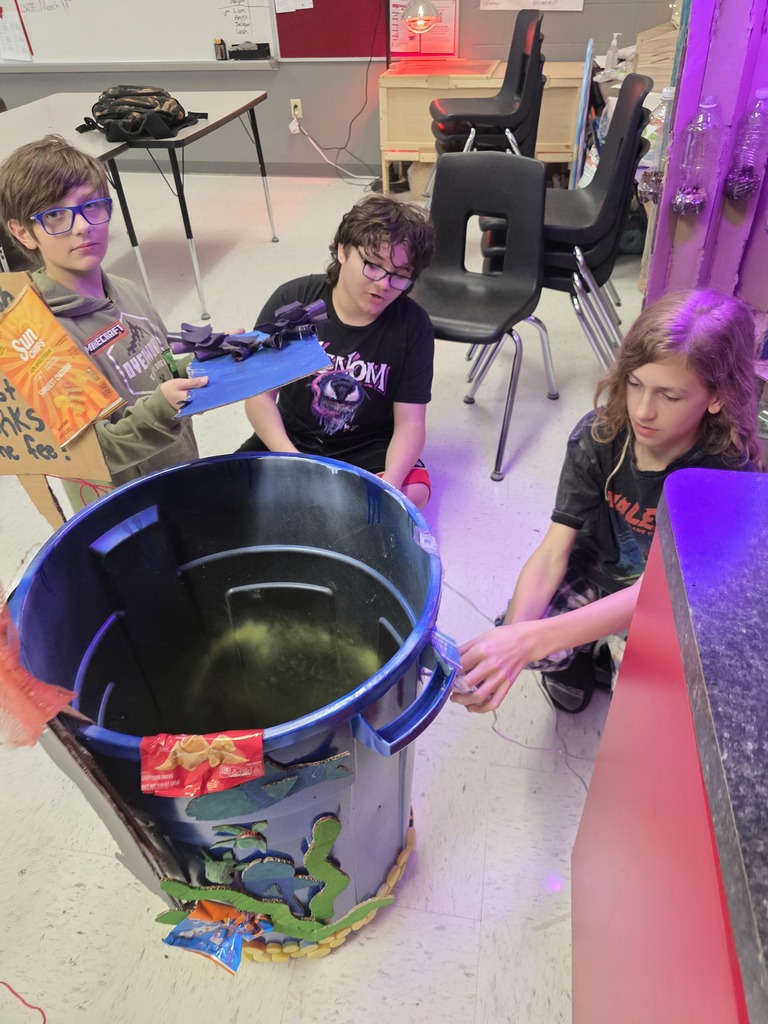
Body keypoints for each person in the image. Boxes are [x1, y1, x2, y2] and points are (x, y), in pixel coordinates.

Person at [454, 289, 761, 714]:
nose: (643, 411)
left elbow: (660, 592)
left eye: (670, 396)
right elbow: (551, 553)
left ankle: (603, 656)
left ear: (716, 397)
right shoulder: (599, 437)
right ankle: (572, 665)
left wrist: (530, 641)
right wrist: (515, 639)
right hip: (595, 569)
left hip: (666, 601)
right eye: (634, 384)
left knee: (650, 700)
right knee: (522, 634)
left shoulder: (723, 477)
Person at [0, 135, 208, 507]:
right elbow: (92, 455)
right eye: (55, 215)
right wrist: (161, 409)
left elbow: (159, 366)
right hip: (123, 512)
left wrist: (211, 357)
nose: (81, 226)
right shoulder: (37, 337)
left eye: (91, 206)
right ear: (21, 232)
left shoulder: (126, 289)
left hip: (177, 475)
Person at [238, 194, 435, 509]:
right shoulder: (295, 300)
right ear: (343, 250)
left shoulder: (414, 326)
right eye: (373, 265)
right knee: (231, 487)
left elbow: (411, 422)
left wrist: (392, 482)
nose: (384, 284)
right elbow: (259, 397)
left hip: (368, 443)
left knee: (416, 492)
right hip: (292, 435)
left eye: (400, 276)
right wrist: (293, 461)